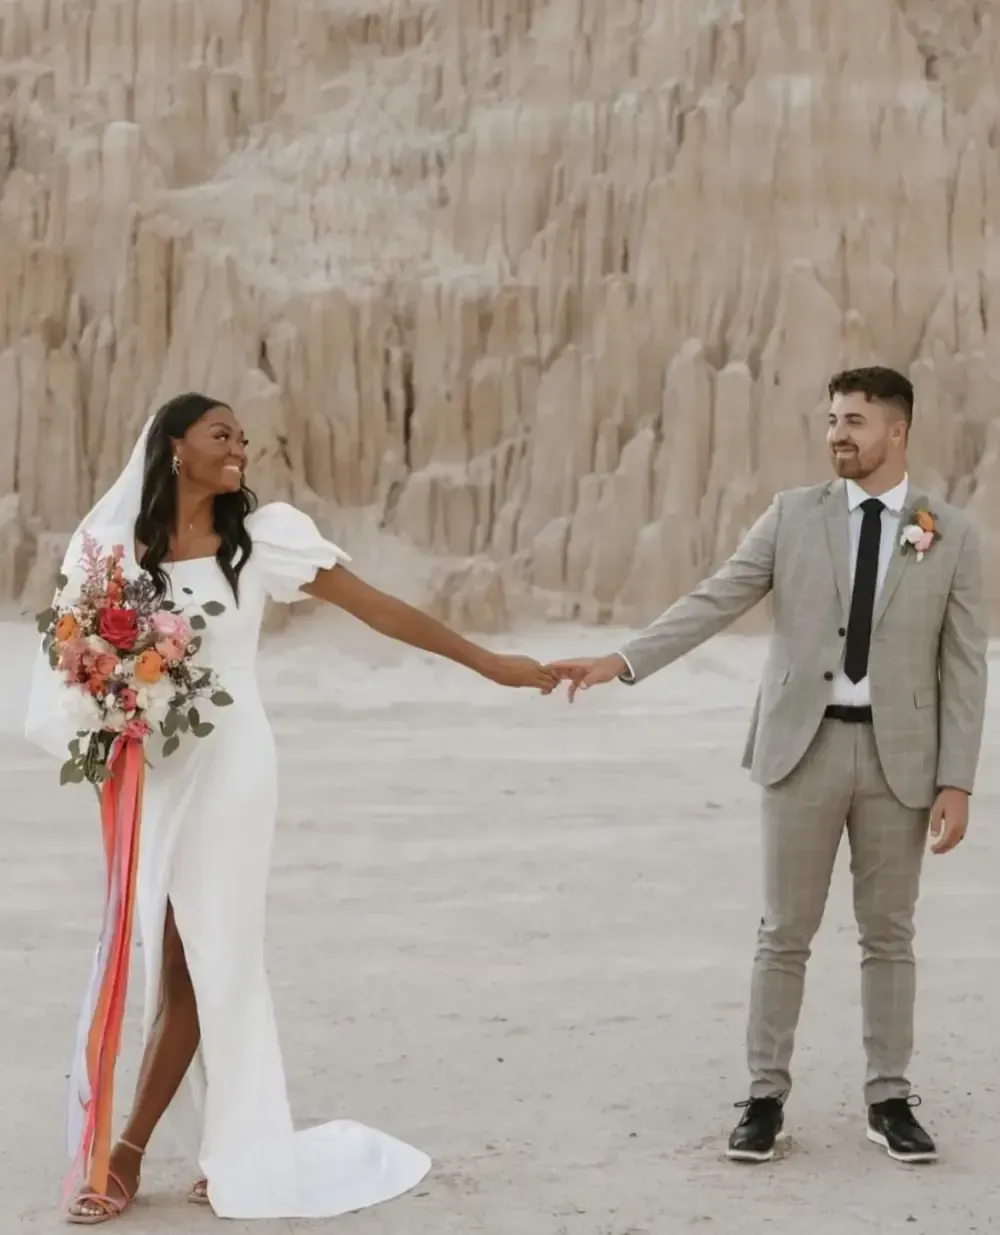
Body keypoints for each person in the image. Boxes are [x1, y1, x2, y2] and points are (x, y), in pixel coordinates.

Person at [25, 393, 558, 1224]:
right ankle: (225, 1144)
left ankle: (124, 1152)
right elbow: (76, 654)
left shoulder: (262, 538)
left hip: (235, 763)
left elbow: (375, 605)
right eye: (220, 434)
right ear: (173, 447)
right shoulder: (113, 551)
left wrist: (487, 662)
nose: (240, 447)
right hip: (156, 770)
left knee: (210, 957)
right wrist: (108, 701)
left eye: (243, 437)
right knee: (162, 949)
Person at [545, 366, 987, 1165]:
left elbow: (965, 664)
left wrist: (959, 777)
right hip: (800, 749)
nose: (837, 434)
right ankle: (763, 1097)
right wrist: (622, 659)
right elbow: (715, 598)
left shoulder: (946, 529)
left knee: (890, 933)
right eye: (830, 420)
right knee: (784, 931)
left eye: (854, 420)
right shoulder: (791, 515)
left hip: (903, 762)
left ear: (897, 431)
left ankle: (890, 1096)